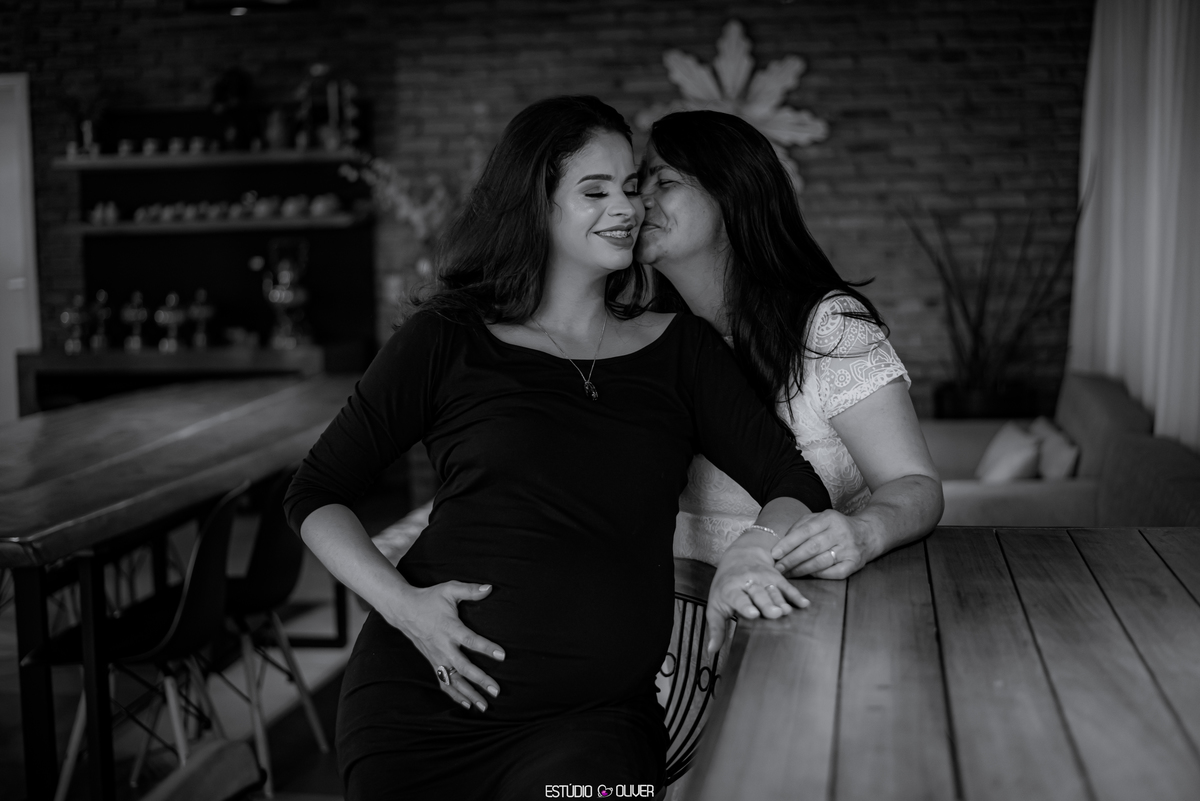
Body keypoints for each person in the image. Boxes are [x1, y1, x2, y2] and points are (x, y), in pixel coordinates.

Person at [283, 96, 832, 801]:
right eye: (594, 191)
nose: (627, 207)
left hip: (596, 724)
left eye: (630, 186)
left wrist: (755, 549)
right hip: (418, 709)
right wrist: (403, 607)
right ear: (535, 206)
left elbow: (794, 480)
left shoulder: (681, 350)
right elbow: (315, 492)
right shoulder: (448, 337)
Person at [635, 110, 943, 580]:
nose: (639, 201)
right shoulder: (647, 337)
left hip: (817, 604)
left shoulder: (828, 327)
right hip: (680, 615)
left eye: (664, 181)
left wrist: (864, 533)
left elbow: (914, 483)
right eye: (637, 183)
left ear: (731, 193)